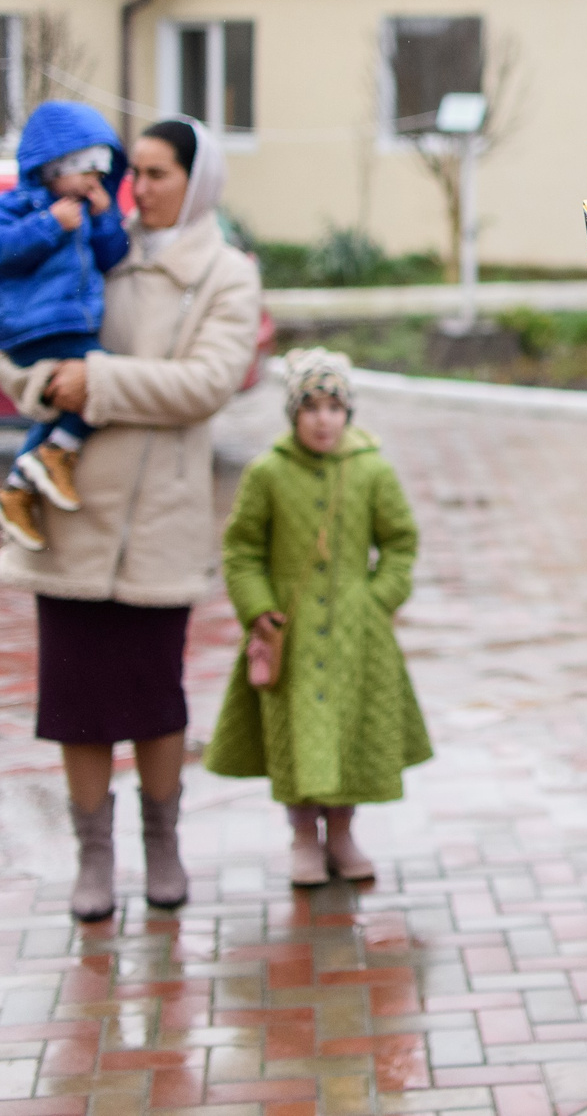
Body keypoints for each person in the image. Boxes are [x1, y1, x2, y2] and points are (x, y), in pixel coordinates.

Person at [0, 117, 261, 922]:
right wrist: (43, 383)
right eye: (130, 171)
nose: (135, 188)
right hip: (69, 510)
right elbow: (16, 339)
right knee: (74, 701)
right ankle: (94, 855)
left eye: (156, 173)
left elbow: (207, 382)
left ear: (196, 180)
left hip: (159, 519)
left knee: (154, 698)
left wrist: (98, 383)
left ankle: (163, 843)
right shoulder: (90, 241)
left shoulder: (224, 272)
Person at [207, 347, 431, 886]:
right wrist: (257, 607)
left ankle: (344, 833)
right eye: (310, 407)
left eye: (333, 407)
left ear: (348, 412)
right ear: (293, 413)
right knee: (298, 733)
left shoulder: (371, 470)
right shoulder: (268, 472)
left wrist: (379, 598)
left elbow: (400, 541)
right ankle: (304, 835)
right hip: (291, 632)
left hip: (358, 632)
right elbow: (241, 550)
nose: (323, 419)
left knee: (348, 731)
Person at [0, 101, 129, 553]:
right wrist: (48, 225)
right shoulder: (15, 206)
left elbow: (112, 257)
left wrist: (105, 218)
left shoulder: (84, 211)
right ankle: (54, 456)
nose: (95, 182)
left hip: (70, 324)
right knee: (106, 380)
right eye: (86, 172)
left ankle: (17, 491)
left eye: (101, 175)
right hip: (33, 325)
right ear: (53, 166)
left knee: (80, 397)